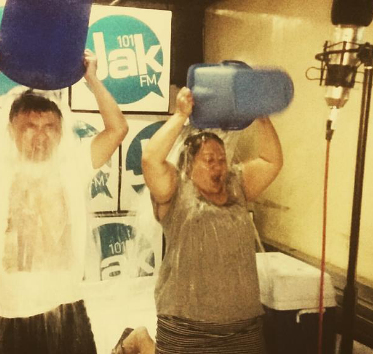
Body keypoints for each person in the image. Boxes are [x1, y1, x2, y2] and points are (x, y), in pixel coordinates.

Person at [0, 41, 128, 354]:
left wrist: (92, 79)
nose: (40, 135)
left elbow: (117, 128)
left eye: (49, 127)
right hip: (5, 311)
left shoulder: (74, 166)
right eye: (29, 126)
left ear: (61, 131)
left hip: (65, 307)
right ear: (12, 129)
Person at [112, 87, 283, 354]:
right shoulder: (174, 190)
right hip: (186, 323)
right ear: (189, 166)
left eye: (221, 159)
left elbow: (271, 161)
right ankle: (139, 340)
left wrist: (261, 116)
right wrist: (181, 115)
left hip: (243, 324)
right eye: (209, 160)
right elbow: (150, 159)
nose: (218, 166)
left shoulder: (236, 184)